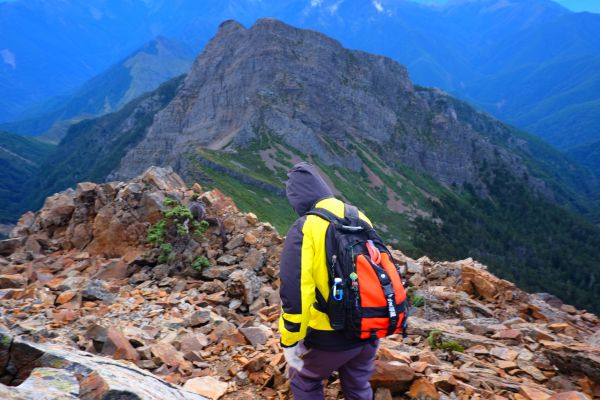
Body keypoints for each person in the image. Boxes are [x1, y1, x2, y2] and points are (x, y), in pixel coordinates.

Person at [279, 162, 378, 400]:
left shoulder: (307, 226)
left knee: (304, 380)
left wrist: (290, 339)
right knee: (358, 386)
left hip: (331, 335)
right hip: (371, 326)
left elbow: (296, 290)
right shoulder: (358, 216)